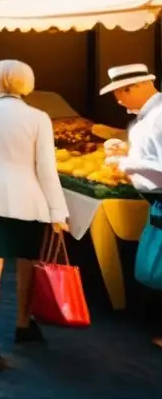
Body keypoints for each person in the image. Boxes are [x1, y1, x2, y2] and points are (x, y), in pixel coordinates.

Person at [0, 60, 69, 370]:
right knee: (27, 264)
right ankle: (22, 322)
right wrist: (58, 211)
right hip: (27, 198)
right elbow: (46, 169)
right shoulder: (38, 118)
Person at [99, 63, 162, 350]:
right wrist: (126, 152)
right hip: (156, 201)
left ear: (133, 87)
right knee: (151, 268)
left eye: (119, 94)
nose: (118, 101)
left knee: (155, 268)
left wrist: (125, 163)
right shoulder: (149, 117)